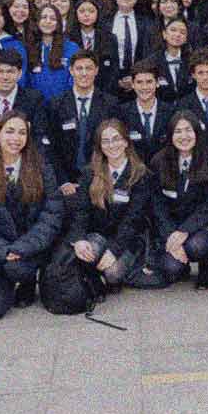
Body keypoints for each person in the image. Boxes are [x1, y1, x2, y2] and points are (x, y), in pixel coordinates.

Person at [0, 111, 65, 317]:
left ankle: (27, 280)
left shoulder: (41, 167)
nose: (16, 138)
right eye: (9, 131)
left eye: (22, 133)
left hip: (29, 249)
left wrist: (22, 248)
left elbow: (51, 216)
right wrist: (3, 251)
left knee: (19, 270)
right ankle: (8, 275)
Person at [61, 118, 154, 293]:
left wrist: (113, 251)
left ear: (126, 142)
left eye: (116, 139)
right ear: (100, 146)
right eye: (105, 141)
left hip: (128, 239)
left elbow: (133, 220)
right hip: (98, 234)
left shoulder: (140, 174)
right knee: (84, 254)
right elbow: (81, 211)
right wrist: (80, 239)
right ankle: (94, 276)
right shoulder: (90, 172)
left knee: (113, 273)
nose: (112, 145)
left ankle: (127, 266)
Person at [146, 111, 208, 289]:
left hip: (204, 226)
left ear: (197, 133)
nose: (184, 136)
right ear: (171, 135)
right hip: (171, 227)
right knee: (171, 268)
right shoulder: (158, 161)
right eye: (178, 131)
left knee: (197, 245)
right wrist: (171, 235)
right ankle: (183, 265)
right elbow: (157, 205)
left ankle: (206, 266)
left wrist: (185, 230)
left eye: (188, 130)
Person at [45, 51, 119, 191]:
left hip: (101, 180)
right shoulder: (56, 104)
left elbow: (115, 146)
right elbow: (52, 148)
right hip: (67, 183)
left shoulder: (111, 104)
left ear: (96, 70)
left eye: (89, 68)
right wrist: (63, 182)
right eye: (79, 68)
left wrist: (102, 178)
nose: (84, 73)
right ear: (71, 71)